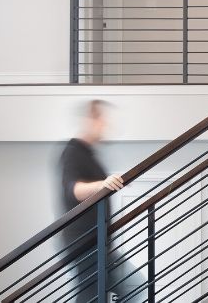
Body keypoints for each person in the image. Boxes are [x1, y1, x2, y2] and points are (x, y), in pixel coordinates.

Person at [59, 100, 148, 303]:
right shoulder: (73, 151)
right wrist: (103, 184)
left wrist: (109, 184)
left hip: (97, 242)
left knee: (120, 289)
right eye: (102, 120)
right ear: (91, 120)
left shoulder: (88, 154)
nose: (106, 126)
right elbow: (74, 190)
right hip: (84, 242)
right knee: (97, 294)